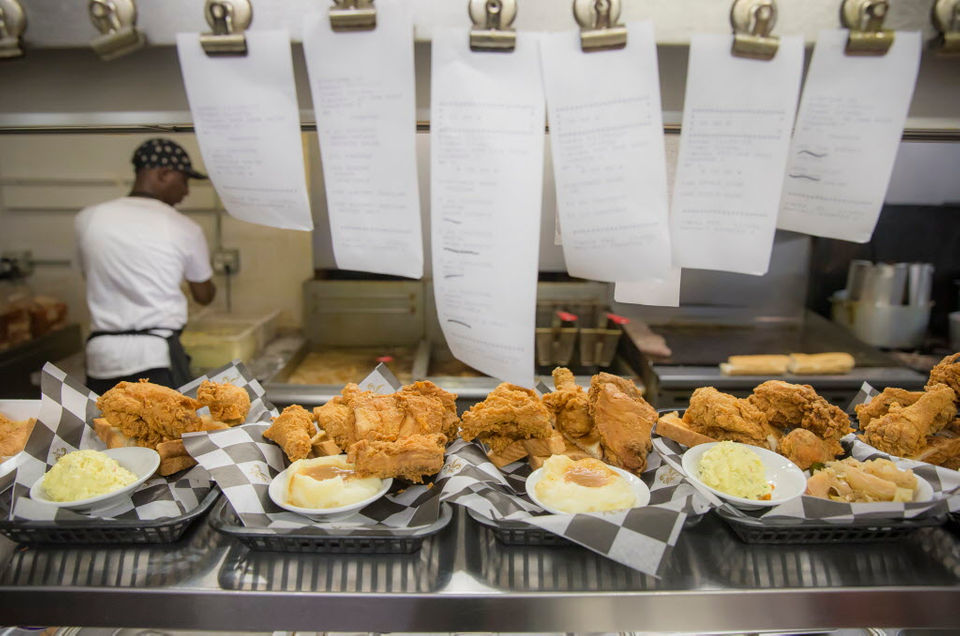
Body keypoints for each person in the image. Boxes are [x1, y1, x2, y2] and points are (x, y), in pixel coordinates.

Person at [75, 138, 216, 395]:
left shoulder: (88, 219)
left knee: (105, 431)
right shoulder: (184, 227)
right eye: (184, 181)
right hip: (156, 358)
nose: (186, 192)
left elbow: (91, 274)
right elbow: (204, 295)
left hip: (101, 357)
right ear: (163, 174)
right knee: (169, 434)